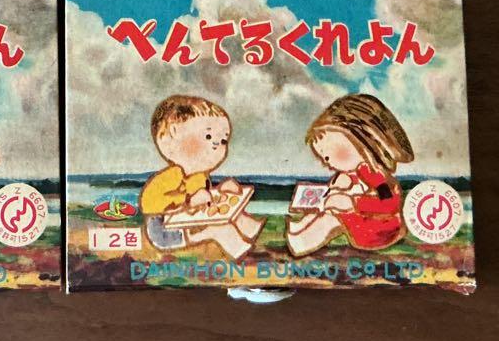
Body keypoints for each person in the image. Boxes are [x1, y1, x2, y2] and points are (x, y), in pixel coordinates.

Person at [286, 94, 414, 257]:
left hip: (380, 230)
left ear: (363, 140)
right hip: (362, 222)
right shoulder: (352, 174)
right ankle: (299, 229)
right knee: (328, 210)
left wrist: (353, 203)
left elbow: (388, 203)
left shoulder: (375, 175)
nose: (327, 162)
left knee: (330, 220)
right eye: (324, 157)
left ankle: (300, 243)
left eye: (331, 153)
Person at [140, 95, 263, 261]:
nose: (217, 145)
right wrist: (188, 200)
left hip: (188, 220)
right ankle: (245, 257)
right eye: (208, 137)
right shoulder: (171, 176)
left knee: (235, 216)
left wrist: (221, 191)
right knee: (219, 229)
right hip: (164, 231)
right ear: (173, 134)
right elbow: (149, 202)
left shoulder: (199, 176)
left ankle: (254, 236)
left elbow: (204, 198)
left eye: (223, 140)